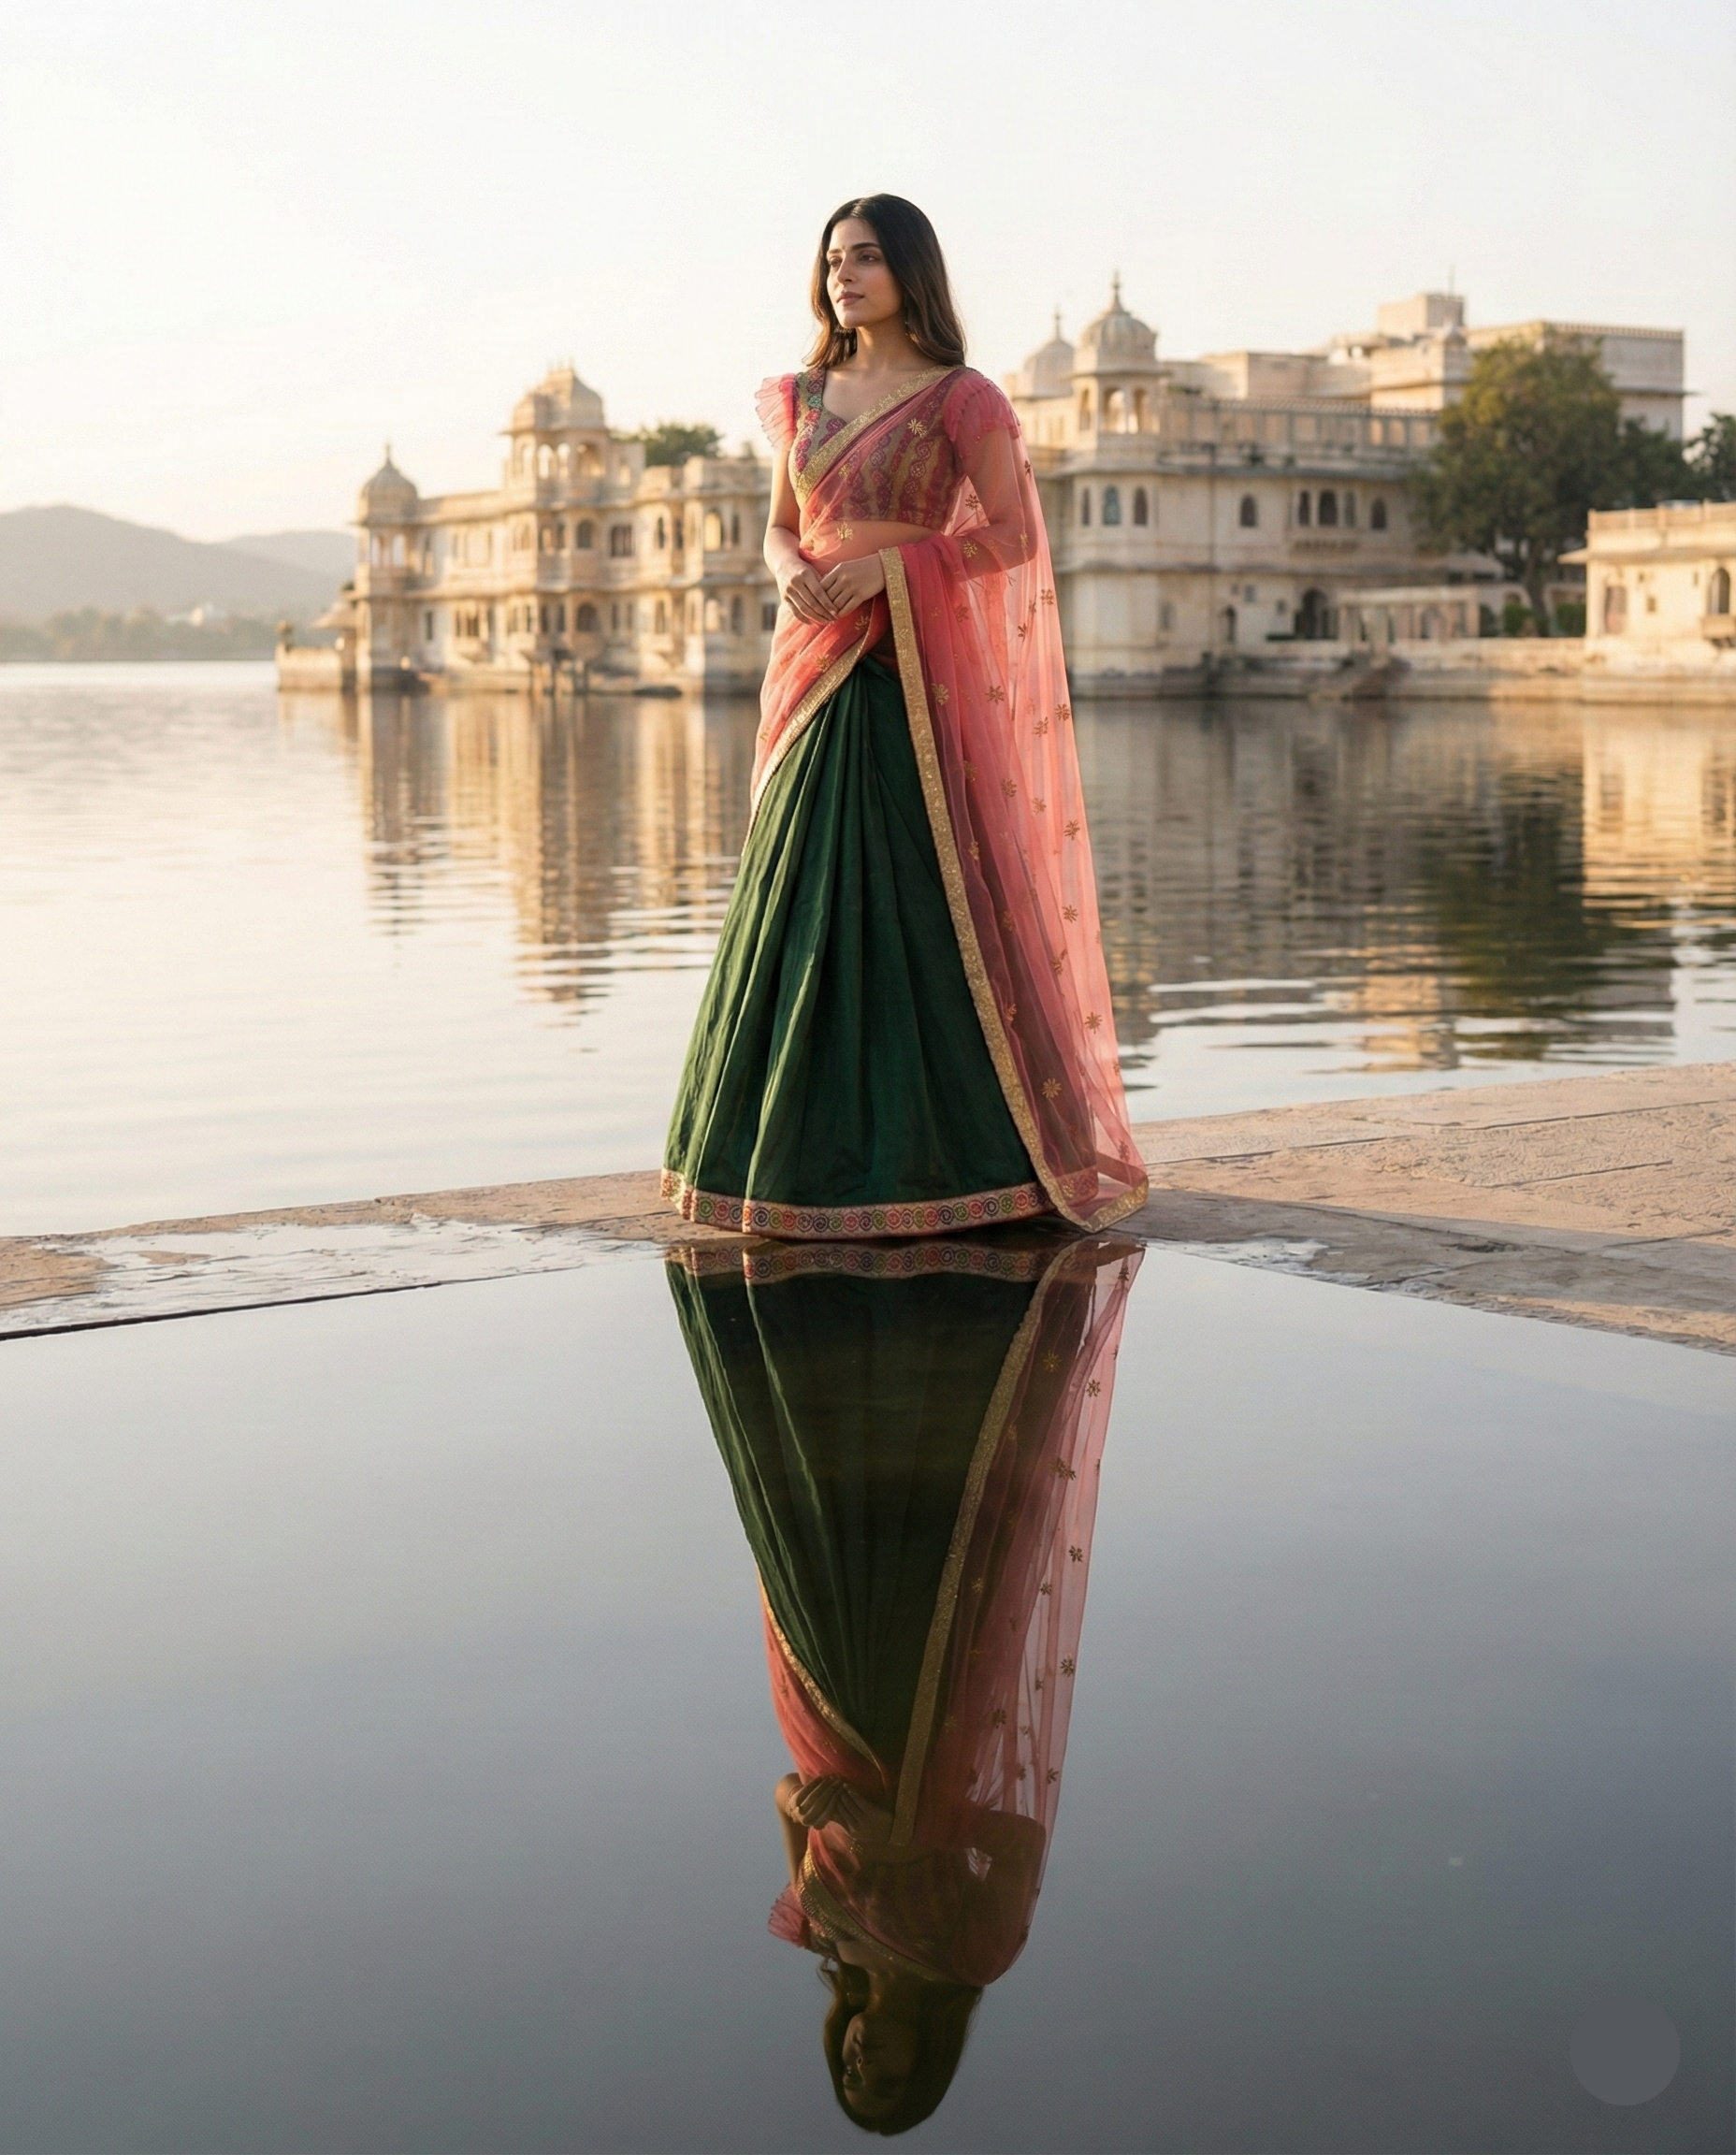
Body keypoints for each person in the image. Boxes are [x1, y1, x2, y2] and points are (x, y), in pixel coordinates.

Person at [662, 195, 1146, 1240]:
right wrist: (790, 568)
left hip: (907, 674)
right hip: (811, 663)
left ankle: (958, 1156)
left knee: (922, 897)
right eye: (833, 258)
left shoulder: (960, 399)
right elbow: (779, 527)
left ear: (909, 270)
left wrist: (890, 568)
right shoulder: (797, 397)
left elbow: (1015, 537)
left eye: (867, 257)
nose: (844, 274)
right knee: (796, 893)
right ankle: (772, 1155)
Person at [667, 1229, 1141, 2133]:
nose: (860, 2063)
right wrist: (907, 1835)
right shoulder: (972, 1956)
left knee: (813, 1529)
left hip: (824, 1716)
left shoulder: (818, 1939)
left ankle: (803, 1316)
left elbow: (792, 1800)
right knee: (933, 1537)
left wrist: (821, 1810)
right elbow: (1019, 1849)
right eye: (883, 2082)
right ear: (924, 2069)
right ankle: (959, 1322)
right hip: (923, 1724)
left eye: (848, 2077)